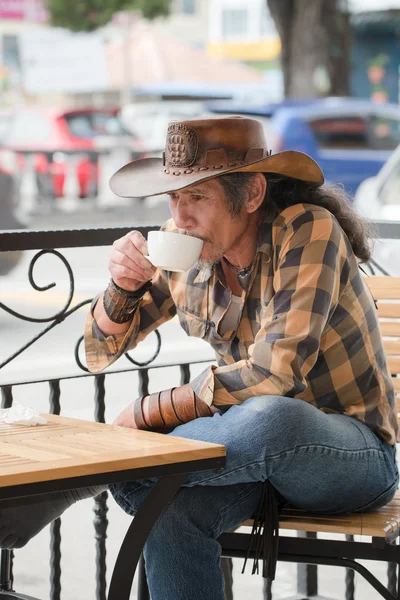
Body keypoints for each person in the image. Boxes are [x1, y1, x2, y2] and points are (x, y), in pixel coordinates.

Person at [1, 117, 398, 600]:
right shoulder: (188, 246)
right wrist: (122, 287)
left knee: (273, 417)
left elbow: (275, 377)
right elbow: (99, 350)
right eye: (174, 198)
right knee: (169, 515)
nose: (180, 217)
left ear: (251, 194)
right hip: (241, 463)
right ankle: (109, 470)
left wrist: (148, 413)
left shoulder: (307, 230)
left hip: (347, 459)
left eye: (198, 197)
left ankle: (96, 472)